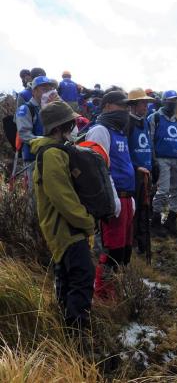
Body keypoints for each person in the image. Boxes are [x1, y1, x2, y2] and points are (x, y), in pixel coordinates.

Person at [31, 101, 95, 330]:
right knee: (82, 279)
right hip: (66, 230)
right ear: (58, 128)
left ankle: (66, 331)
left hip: (65, 229)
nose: (74, 127)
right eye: (70, 124)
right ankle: (76, 336)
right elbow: (63, 198)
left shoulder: (56, 152)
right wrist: (87, 222)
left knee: (68, 281)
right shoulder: (51, 155)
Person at [86, 91, 135, 270]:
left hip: (126, 197)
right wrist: (112, 199)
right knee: (110, 252)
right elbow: (98, 171)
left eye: (127, 107)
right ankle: (103, 294)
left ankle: (116, 290)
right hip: (112, 201)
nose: (125, 111)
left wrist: (130, 198)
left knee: (124, 250)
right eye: (121, 106)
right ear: (107, 106)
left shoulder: (119, 132)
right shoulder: (100, 131)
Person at [149, 90, 177, 236]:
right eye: (170, 100)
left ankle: (171, 220)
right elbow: (150, 139)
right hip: (161, 158)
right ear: (164, 101)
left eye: (175, 100)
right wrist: (153, 160)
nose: (173, 103)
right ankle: (156, 219)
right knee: (163, 190)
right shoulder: (155, 117)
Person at [126, 88, 154, 260]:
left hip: (147, 172)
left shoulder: (145, 122)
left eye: (146, 103)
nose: (146, 106)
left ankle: (143, 243)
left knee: (145, 209)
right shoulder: (127, 123)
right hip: (134, 174)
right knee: (136, 210)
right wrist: (136, 167)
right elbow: (125, 151)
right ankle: (133, 242)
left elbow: (148, 145)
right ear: (134, 105)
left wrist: (154, 163)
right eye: (143, 103)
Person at [16, 76, 58, 188]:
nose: (48, 92)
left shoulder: (50, 107)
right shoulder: (26, 109)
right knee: (35, 191)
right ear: (34, 91)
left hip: (51, 155)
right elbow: (24, 134)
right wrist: (43, 142)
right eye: (44, 89)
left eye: (50, 89)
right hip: (33, 158)